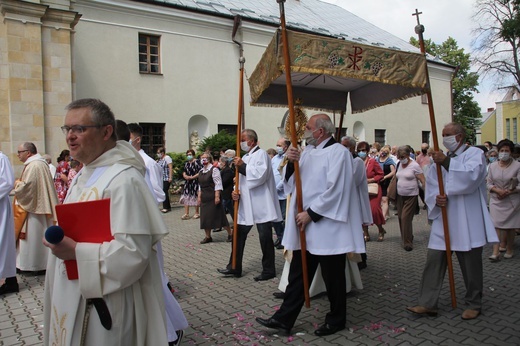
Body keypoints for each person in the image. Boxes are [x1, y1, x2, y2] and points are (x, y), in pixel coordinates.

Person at [43, 98, 169, 345]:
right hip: (72, 291)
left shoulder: (124, 179)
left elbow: (133, 253)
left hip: (106, 301)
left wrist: (76, 252)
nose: (70, 136)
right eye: (67, 129)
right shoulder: (86, 173)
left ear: (106, 131)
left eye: (79, 128)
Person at [256, 114, 365, 336]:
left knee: (332, 276)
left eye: (308, 127)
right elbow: (292, 183)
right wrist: (291, 162)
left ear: (321, 131)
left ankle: (336, 320)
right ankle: (284, 319)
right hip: (306, 226)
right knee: (299, 273)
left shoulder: (339, 153)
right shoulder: (308, 152)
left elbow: (337, 189)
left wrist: (312, 214)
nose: (304, 130)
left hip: (328, 227)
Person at [407, 122, 498, 320]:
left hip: (467, 219)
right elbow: (431, 184)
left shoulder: (475, 154)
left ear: (459, 136)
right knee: (434, 260)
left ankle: (474, 303)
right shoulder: (439, 161)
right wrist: (435, 199)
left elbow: (472, 178)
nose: (445, 138)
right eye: (442, 135)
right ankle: (427, 303)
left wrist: (447, 163)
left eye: (448, 134)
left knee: (471, 265)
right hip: (445, 218)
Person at [122, 121, 188, 346]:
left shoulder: (146, 163)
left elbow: (155, 193)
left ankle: (169, 331)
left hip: (143, 228)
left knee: (152, 281)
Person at [217, 129, 282, 281]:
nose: (241, 142)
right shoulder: (245, 157)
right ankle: (234, 266)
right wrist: (235, 191)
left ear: (251, 141)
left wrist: (243, 166)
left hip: (261, 203)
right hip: (246, 204)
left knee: (265, 237)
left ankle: (268, 270)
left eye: (243, 139)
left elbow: (260, 176)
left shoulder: (262, 155)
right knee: (238, 235)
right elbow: (240, 180)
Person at [15, 142, 58, 274]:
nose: (18, 155)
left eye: (20, 152)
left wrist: (17, 183)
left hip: (34, 209)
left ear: (28, 153)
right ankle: (38, 263)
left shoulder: (34, 165)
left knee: (33, 237)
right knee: (37, 236)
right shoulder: (39, 163)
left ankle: (33, 265)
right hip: (38, 205)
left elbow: (28, 187)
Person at [487, 139, 520, 261]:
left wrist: (508, 192)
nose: (504, 153)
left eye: (507, 150)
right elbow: (489, 183)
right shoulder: (492, 166)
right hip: (496, 200)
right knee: (495, 225)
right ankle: (495, 251)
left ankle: (510, 248)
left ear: (511, 152)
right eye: (502, 150)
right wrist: (496, 190)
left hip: (512, 200)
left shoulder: (517, 166)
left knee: (510, 227)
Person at [395, 145, 425, 251]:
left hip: (411, 196)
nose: (400, 159)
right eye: (399, 157)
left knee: (405, 218)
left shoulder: (415, 165)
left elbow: (422, 180)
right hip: (400, 195)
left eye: (402, 156)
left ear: (408, 155)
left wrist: (427, 195)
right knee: (400, 218)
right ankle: (405, 237)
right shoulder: (399, 164)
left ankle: (408, 242)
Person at [197, 152, 232, 244]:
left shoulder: (214, 170)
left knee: (219, 216)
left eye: (205, 158)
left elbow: (218, 183)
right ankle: (208, 236)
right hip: (204, 197)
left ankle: (230, 233)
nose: (203, 159)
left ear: (209, 159)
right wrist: (199, 196)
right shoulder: (201, 171)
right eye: (202, 158)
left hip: (212, 196)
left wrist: (217, 196)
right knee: (205, 217)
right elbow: (200, 185)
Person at [357, 141, 386, 242]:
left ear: (367, 151)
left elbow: (380, 174)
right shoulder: (356, 162)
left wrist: (371, 179)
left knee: (374, 210)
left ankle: (381, 230)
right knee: (362, 211)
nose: (361, 152)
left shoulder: (372, 162)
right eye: (359, 151)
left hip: (373, 189)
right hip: (361, 190)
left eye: (363, 150)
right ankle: (366, 233)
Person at [0, 151, 18, 295]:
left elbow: (7, 182)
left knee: (3, 242)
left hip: (1, 208)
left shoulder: (1, 158)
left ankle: (10, 280)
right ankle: (10, 280)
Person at [272, 138, 289, 249]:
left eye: (279, 145)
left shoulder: (288, 158)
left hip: (284, 194)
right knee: (275, 219)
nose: (277, 147)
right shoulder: (274, 158)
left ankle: (285, 239)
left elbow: (286, 177)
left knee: (283, 219)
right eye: (277, 145)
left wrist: (277, 188)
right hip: (274, 194)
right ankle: (280, 237)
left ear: (286, 147)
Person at [180, 149, 201, 219]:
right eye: (188, 155)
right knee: (186, 196)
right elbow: (184, 171)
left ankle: (197, 212)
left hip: (195, 182)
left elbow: (200, 172)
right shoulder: (186, 163)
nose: (189, 156)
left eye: (190, 155)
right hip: (188, 182)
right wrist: (185, 175)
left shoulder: (197, 162)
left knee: (195, 196)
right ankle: (186, 213)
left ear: (193, 155)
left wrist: (192, 177)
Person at [377, 145, 396, 220]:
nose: (382, 153)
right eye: (382, 151)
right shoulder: (376, 160)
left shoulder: (389, 161)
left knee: (384, 199)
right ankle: (387, 214)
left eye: (385, 152)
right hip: (378, 181)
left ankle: (383, 217)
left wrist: (385, 177)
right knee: (380, 199)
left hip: (386, 182)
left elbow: (393, 172)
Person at [157, 146, 173, 213]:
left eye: (159, 153)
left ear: (162, 153)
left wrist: (170, 177)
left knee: (164, 191)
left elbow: (170, 168)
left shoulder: (167, 158)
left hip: (167, 177)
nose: (158, 154)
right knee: (164, 191)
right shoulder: (160, 159)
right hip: (162, 178)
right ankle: (167, 206)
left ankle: (166, 207)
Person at [416, 143, 430, 209]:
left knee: (427, 190)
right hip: (421, 175)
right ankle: (424, 202)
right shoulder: (419, 157)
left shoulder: (430, 156)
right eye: (422, 148)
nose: (423, 149)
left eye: (425, 148)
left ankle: (428, 203)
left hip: (429, 176)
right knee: (421, 191)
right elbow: (417, 166)